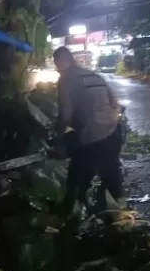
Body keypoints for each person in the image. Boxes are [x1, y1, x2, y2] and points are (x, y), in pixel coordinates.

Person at [53, 46, 123, 216]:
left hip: (92, 137)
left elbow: (66, 113)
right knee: (111, 171)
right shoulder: (94, 75)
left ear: (61, 62)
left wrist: (59, 134)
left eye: (57, 62)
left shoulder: (66, 79)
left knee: (76, 175)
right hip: (114, 132)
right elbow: (114, 104)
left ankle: (70, 212)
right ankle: (121, 211)